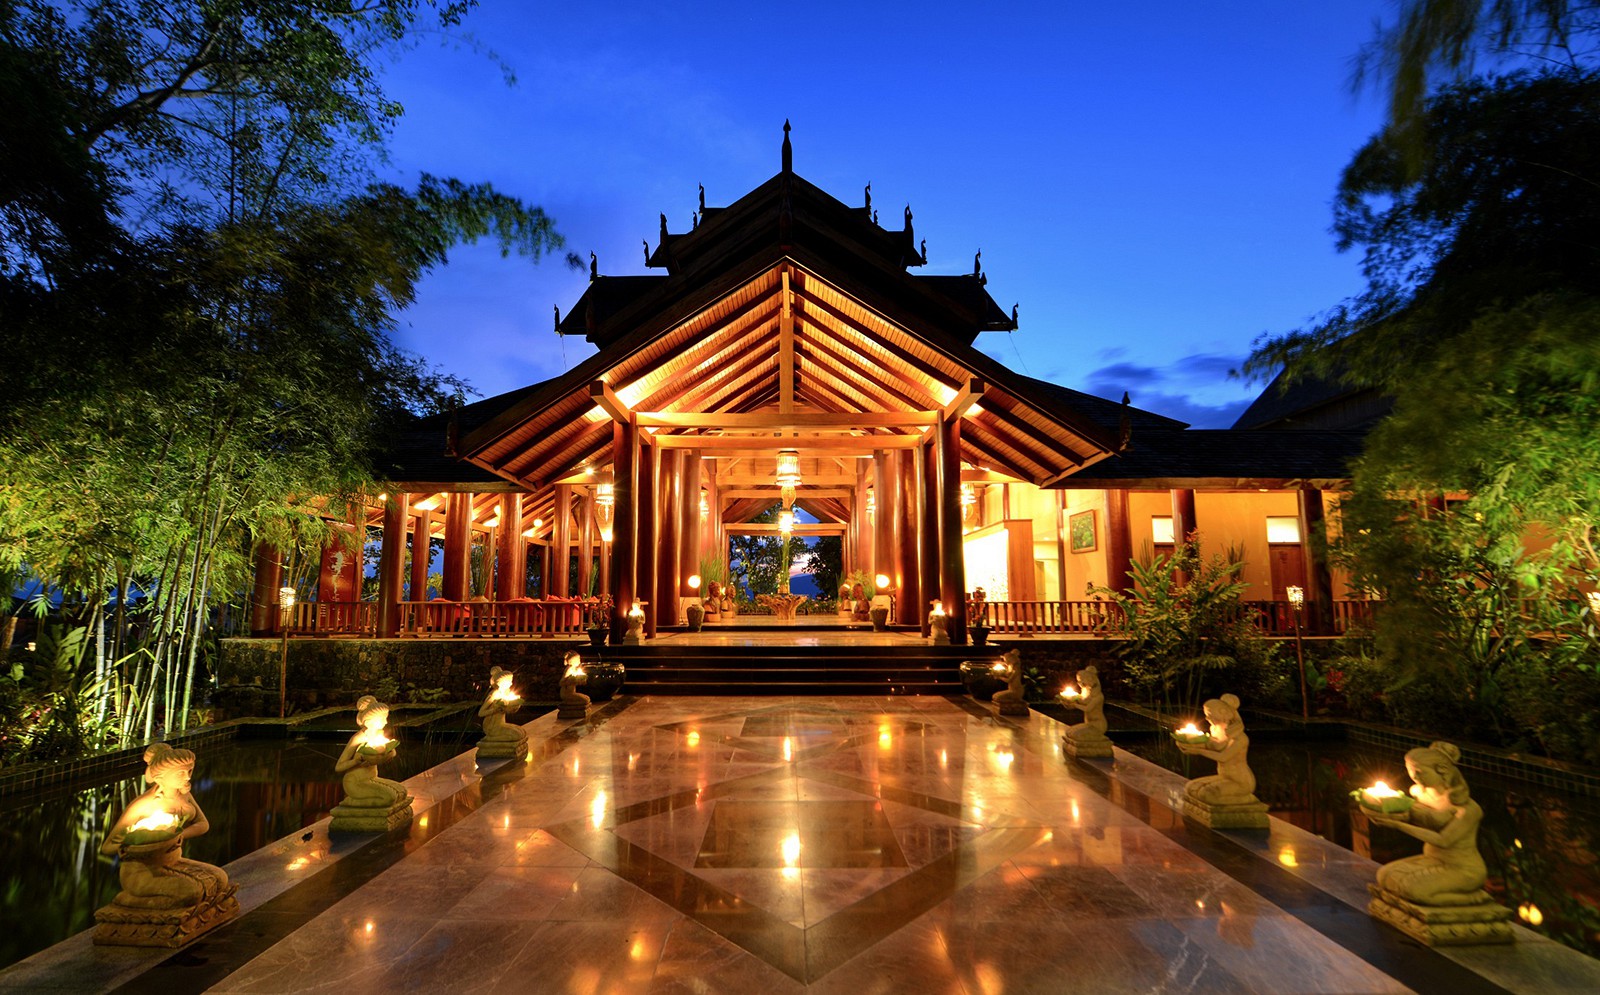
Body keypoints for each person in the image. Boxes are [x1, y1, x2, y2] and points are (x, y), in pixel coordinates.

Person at [99, 743, 229, 907]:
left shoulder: (184, 795)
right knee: (192, 893)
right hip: (142, 871)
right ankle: (130, 901)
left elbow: (203, 824)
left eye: (189, 771)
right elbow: (107, 847)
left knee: (220, 879)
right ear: (161, 778)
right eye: (180, 773)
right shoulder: (143, 804)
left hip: (173, 861)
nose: (187, 777)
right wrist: (136, 843)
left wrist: (179, 835)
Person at [1367, 741, 1490, 904]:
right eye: (1411, 772)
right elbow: (1409, 816)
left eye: (1419, 772)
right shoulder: (1419, 793)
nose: (1415, 777)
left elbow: (1443, 840)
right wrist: (1384, 813)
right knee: (1384, 876)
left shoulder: (1467, 809)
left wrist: (1398, 825)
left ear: (1442, 771)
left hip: (1463, 868)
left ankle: (1474, 900)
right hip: (1431, 859)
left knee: (1412, 890)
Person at [1175, 694, 1257, 804]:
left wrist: (1198, 751)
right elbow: (1210, 745)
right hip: (1224, 776)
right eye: (1206, 715)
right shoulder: (1215, 730)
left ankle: (1240, 804)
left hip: (1240, 781)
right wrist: (1189, 744)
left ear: (1222, 714)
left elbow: (1223, 757)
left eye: (1210, 715)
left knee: (1206, 794)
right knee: (1191, 788)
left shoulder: (1240, 738)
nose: (1207, 718)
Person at [334, 695, 410, 809]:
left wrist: (387, 752)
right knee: (389, 798)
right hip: (355, 782)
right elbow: (338, 767)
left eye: (386, 718)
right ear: (369, 722)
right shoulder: (358, 738)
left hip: (371, 779)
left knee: (402, 792)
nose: (385, 722)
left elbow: (392, 752)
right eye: (382, 719)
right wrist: (356, 761)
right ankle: (351, 804)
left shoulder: (378, 734)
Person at [1064, 666, 1108, 741]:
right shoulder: (1085, 691)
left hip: (1098, 724)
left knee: (1076, 734)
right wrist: (1070, 699)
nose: (1079, 684)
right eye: (1078, 681)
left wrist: (1075, 705)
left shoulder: (1098, 696)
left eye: (1081, 681)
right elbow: (1081, 701)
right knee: (1069, 732)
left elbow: (1088, 709)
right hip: (1088, 723)